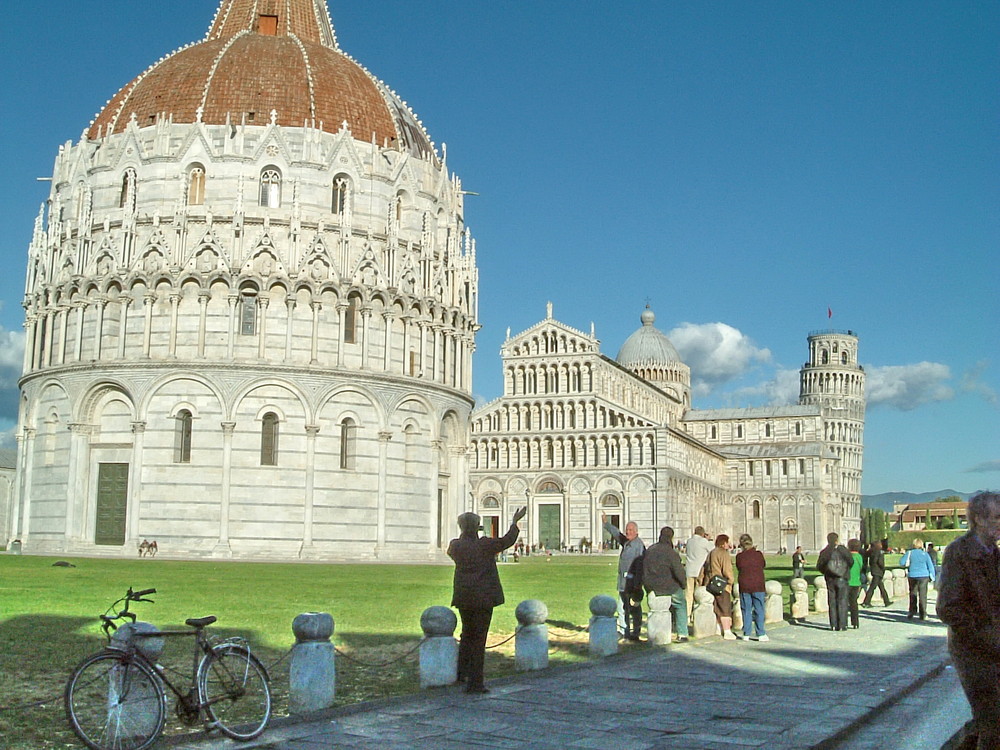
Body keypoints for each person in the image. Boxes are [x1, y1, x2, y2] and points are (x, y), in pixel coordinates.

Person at [936, 491, 1000, 750]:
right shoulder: (959, 552)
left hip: (994, 649)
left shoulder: (994, 554)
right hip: (973, 651)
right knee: (993, 723)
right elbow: (948, 607)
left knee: (989, 720)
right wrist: (984, 633)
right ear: (979, 519)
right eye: (997, 517)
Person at [448, 506, 527, 694]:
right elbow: (507, 541)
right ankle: (475, 683)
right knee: (478, 640)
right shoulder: (484, 545)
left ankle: (461, 674)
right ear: (477, 527)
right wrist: (514, 522)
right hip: (483, 598)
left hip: (464, 597)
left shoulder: (455, 546)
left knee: (467, 635)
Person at [602, 514, 646, 641]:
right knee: (621, 607)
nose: (628, 532)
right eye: (627, 530)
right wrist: (606, 524)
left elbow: (641, 566)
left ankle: (635, 632)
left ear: (636, 532)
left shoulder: (639, 546)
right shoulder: (627, 542)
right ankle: (623, 631)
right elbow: (617, 534)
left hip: (633, 584)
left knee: (634, 609)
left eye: (631, 530)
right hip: (622, 583)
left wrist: (638, 585)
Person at [642, 526, 689, 642]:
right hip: (668, 586)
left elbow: (643, 568)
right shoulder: (671, 553)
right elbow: (678, 572)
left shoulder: (650, 550)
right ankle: (682, 633)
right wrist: (683, 584)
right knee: (681, 604)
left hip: (652, 586)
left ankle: (671, 625)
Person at [816, 532, 853, 631]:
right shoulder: (843, 550)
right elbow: (851, 561)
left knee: (832, 601)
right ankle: (842, 624)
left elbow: (819, 566)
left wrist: (827, 572)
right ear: (837, 540)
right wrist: (844, 570)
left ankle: (833, 624)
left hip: (830, 578)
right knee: (842, 601)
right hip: (842, 577)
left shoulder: (825, 552)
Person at [734, 534, 767, 641]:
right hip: (758, 584)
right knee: (759, 608)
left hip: (745, 585)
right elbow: (763, 565)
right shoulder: (758, 554)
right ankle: (760, 633)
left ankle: (746, 633)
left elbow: (739, 567)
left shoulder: (739, 556)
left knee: (746, 609)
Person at [705, 534, 737, 640]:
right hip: (722, 584)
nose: (728, 545)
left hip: (711, 583)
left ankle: (718, 629)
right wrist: (731, 581)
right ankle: (727, 631)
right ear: (723, 543)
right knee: (725, 608)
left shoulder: (711, 553)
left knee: (716, 607)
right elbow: (727, 570)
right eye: (727, 542)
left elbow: (705, 568)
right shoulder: (723, 554)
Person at [684, 526, 715, 624]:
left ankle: (687, 615)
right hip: (699, 571)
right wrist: (709, 539)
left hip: (689, 570)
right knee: (698, 594)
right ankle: (695, 615)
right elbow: (713, 549)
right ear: (703, 534)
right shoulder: (704, 542)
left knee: (688, 594)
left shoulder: (689, 541)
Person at [900, 538, 935, 620]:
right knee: (923, 595)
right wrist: (932, 577)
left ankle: (912, 611)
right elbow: (930, 566)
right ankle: (923, 613)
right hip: (924, 575)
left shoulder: (910, 553)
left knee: (913, 593)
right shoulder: (925, 554)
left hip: (912, 575)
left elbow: (902, 562)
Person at [861, 539, 891, 608]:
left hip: (874, 570)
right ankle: (866, 602)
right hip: (878, 571)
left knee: (881, 587)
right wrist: (883, 568)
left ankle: (886, 601)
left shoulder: (872, 552)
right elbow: (880, 562)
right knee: (872, 587)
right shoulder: (879, 552)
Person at [846, 539, 864, 629]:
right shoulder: (859, 557)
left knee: (844, 602)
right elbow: (861, 567)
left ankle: (844, 621)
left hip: (847, 581)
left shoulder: (848, 556)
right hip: (856, 581)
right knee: (854, 603)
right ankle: (855, 622)